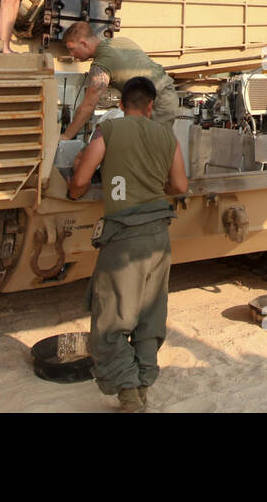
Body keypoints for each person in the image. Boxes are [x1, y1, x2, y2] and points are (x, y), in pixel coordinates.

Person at [67, 76, 187, 412]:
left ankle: (129, 393)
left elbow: (79, 180)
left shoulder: (110, 131)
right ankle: (143, 382)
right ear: (150, 107)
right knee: (150, 315)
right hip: (159, 237)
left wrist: (76, 191)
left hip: (124, 238)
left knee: (112, 317)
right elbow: (179, 185)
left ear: (121, 105)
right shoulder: (167, 136)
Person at [59, 22, 180, 139]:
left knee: (152, 153)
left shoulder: (101, 64)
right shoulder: (121, 41)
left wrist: (66, 136)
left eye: (72, 49)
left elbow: (88, 106)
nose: (72, 55)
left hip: (157, 102)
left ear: (84, 43)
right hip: (166, 93)